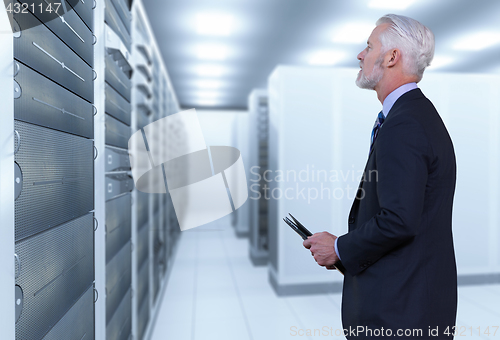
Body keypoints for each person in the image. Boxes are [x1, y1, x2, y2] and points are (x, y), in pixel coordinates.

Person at [303, 14, 457, 339]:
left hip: (400, 315)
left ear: (391, 57)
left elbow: (399, 221)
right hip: (413, 304)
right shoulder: (414, 116)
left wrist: (340, 248)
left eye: (369, 46)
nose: (360, 55)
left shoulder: (404, 125)